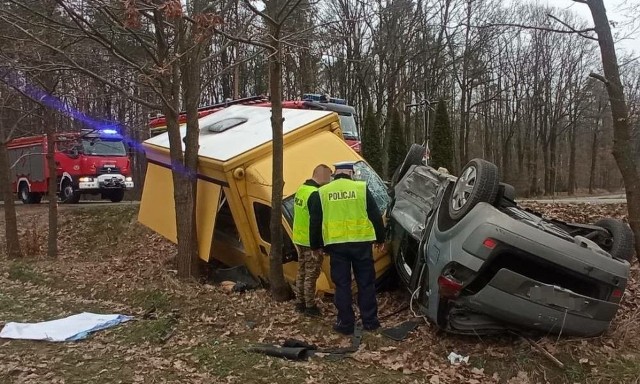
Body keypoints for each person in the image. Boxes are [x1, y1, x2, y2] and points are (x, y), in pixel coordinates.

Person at [308, 162, 386, 335]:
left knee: (342, 285)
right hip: (361, 244)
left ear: (336, 173)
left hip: (336, 247)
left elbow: (314, 222)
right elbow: (375, 215)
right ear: (350, 172)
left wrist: (315, 246)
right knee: (365, 283)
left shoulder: (322, 192)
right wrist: (380, 238)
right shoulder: (360, 188)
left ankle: (345, 324)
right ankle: (370, 322)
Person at [292, 164, 333, 317]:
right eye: (329, 177)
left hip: (299, 238)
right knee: (311, 273)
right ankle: (310, 306)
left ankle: (300, 302)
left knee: (302, 271)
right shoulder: (315, 195)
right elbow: (316, 222)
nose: (329, 181)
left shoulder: (302, 189)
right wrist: (318, 246)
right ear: (323, 176)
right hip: (310, 242)